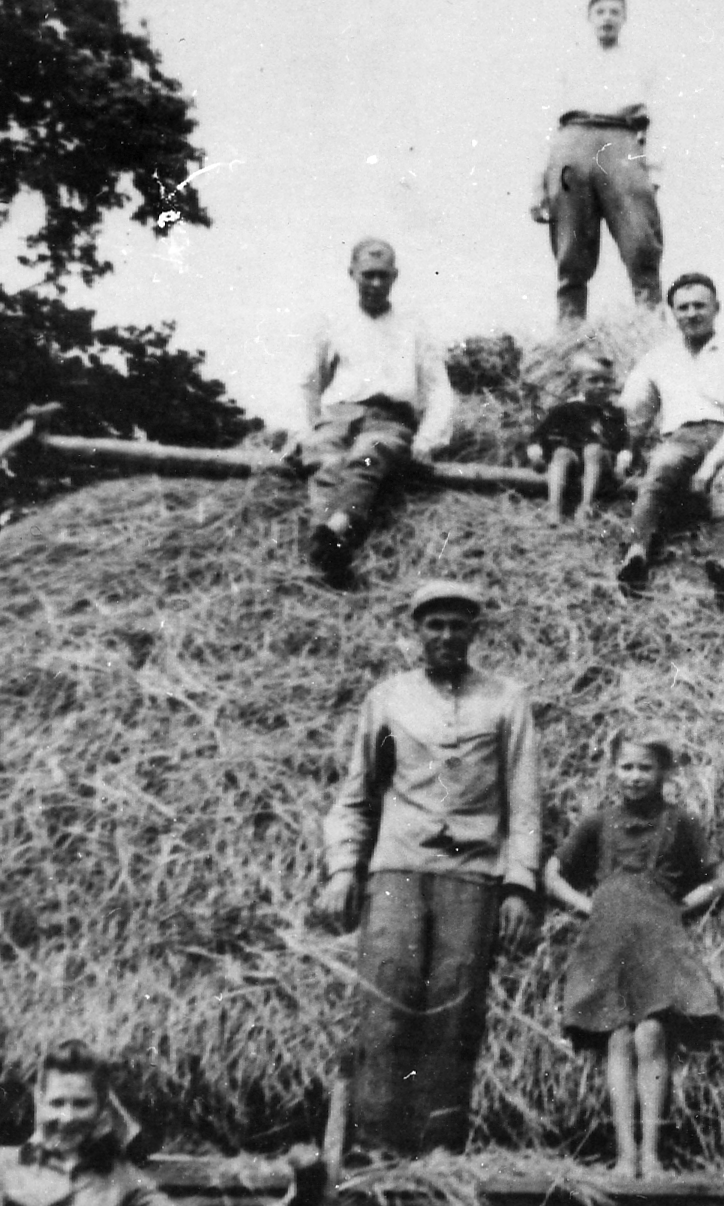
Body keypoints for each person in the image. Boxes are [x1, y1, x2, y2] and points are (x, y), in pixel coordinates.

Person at [316, 580, 541, 1156]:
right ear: (417, 631)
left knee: (454, 1008)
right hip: (397, 869)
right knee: (387, 997)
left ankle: (440, 1148)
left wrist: (519, 883)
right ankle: (373, 1144)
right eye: (434, 625)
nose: (445, 636)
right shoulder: (389, 699)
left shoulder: (506, 699)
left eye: (457, 626)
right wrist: (344, 869)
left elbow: (524, 799)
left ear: (474, 632)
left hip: (473, 874)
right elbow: (358, 793)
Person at [543, 731, 724, 1179]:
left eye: (645, 768)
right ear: (614, 769)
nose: (635, 776)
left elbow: (719, 877)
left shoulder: (680, 822)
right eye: (627, 767)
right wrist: (588, 905)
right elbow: (553, 872)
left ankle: (653, 1152)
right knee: (617, 1037)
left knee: (651, 1034)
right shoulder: (597, 823)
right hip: (608, 937)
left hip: (657, 935)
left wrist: (682, 906)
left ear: (664, 773)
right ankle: (625, 1154)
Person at [0, 1040, 319, 1206]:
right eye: (57, 1102)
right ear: (39, 1101)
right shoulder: (0, 1166)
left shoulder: (120, 1178)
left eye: (81, 1104)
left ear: (101, 1109)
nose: (66, 1117)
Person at [299, 237, 456, 586]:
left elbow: (437, 387)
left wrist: (428, 438)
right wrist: (309, 429)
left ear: (394, 277)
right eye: (368, 275)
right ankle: (326, 546)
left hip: (388, 418)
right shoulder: (333, 322)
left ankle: (336, 529)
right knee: (326, 465)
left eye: (383, 276)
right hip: (338, 414)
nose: (375, 283)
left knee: (368, 458)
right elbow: (310, 380)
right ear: (352, 273)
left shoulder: (413, 326)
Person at [615, 272, 724, 602]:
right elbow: (636, 407)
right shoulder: (659, 356)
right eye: (682, 307)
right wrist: (629, 450)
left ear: (717, 308)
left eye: (700, 305)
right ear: (672, 313)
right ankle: (636, 553)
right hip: (682, 436)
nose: (691, 314)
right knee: (658, 472)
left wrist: (708, 467)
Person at [530, 0, 664, 327]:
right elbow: (547, 123)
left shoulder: (639, 63)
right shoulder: (568, 62)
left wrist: (654, 172)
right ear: (589, 17)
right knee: (571, 244)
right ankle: (570, 332)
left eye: (614, 12)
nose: (607, 18)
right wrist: (539, 185)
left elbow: (657, 118)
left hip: (622, 141)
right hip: (572, 143)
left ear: (624, 19)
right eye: (600, 11)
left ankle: (651, 327)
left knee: (641, 241)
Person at [526, 352, 631, 523]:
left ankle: (586, 506)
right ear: (579, 383)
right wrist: (536, 455)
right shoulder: (566, 409)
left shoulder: (614, 413)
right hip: (576, 461)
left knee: (593, 449)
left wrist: (622, 464)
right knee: (561, 453)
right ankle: (554, 507)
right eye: (593, 380)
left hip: (602, 461)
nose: (601, 385)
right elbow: (539, 435)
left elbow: (626, 443)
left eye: (607, 381)